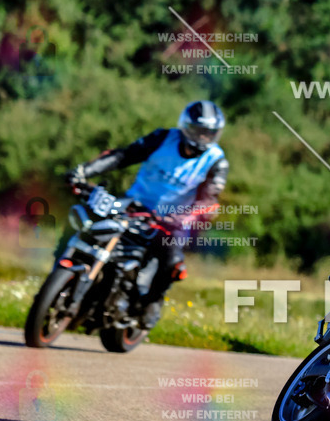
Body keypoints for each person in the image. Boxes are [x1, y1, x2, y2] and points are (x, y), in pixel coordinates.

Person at [64, 100, 228, 327]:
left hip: (173, 221)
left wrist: (185, 217)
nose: (203, 138)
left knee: (171, 260)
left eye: (209, 133)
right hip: (134, 205)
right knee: (87, 222)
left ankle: (152, 301)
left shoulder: (216, 161)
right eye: (199, 131)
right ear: (187, 127)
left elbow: (209, 199)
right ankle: (68, 276)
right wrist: (84, 172)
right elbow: (124, 156)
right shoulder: (163, 138)